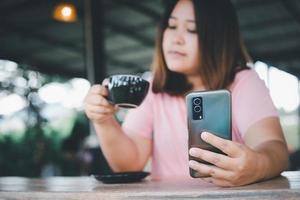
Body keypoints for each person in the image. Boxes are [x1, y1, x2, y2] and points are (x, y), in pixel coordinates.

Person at [84, 0, 288, 187]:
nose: (176, 38)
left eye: (193, 29)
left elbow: (274, 148)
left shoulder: (244, 82)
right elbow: (128, 164)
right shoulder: (154, 88)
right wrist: (104, 121)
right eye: (171, 26)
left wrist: (258, 165)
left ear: (219, 38)